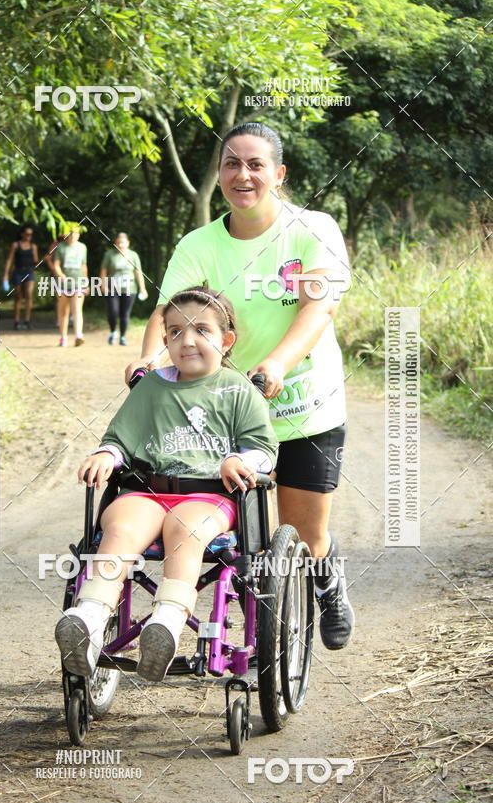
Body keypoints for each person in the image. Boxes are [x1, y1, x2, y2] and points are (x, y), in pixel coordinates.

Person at [126, 122, 354, 651]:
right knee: (245, 538)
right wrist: (149, 360)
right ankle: (257, 631)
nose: (243, 175)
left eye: (255, 164)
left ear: (279, 173)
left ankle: (327, 578)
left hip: (305, 404)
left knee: (305, 533)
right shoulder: (199, 244)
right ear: (220, 173)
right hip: (229, 409)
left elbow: (318, 307)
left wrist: (275, 364)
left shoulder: (312, 229)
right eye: (231, 164)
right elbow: (168, 311)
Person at [55, 286, 278, 682]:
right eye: (175, 332)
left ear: (226, 340)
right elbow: (120, 438)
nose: (187, 341)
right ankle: (89, 617)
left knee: (184, 528)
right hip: (149, 490)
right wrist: (107, 455)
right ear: (165, 341)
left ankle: (168, 621)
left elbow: (263, 448)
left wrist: (240, 460)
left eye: (201, 330)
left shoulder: (238, 389)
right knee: (120, 526)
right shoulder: (152, 386)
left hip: (209, 495)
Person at [100, 232, 148, 345]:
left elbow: (138, 272)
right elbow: (103, 271)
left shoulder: (133, 255)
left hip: (130, 289)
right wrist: (102, 285)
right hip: (112, 289)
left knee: (125, 314)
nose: (121, 245)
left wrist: (142, 288)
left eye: (123, 242)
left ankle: (122, 336)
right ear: (115, 243)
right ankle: (113, 332)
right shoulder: (109, 255)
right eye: (118, 242)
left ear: (128, 243)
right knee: (113, 311)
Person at [52, 226, 88, 347]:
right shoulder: (61, 247)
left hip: (78, 282)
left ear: (79, 235)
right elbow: (56, 265)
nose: (73, 236)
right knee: (64, 311)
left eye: (75, 233)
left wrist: (86, 281)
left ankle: (78, 335)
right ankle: (63, 337)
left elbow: (84, 266)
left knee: (77, 309)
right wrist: (61, 275)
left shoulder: (82, 247)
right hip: (63, 284)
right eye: (71, 233)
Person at [2, 226, 38, 329]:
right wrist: (6, 274)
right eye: (27, 234)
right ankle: (16, 321)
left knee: (29, 294)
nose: (29, 236)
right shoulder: (15, 245)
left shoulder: (33, 246)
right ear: (22, 234)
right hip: (18, 271)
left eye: (31, 234)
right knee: (18, 296)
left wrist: (36, 263)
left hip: (29, 272)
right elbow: (9, 259)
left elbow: (36, 260)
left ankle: (27, 320)